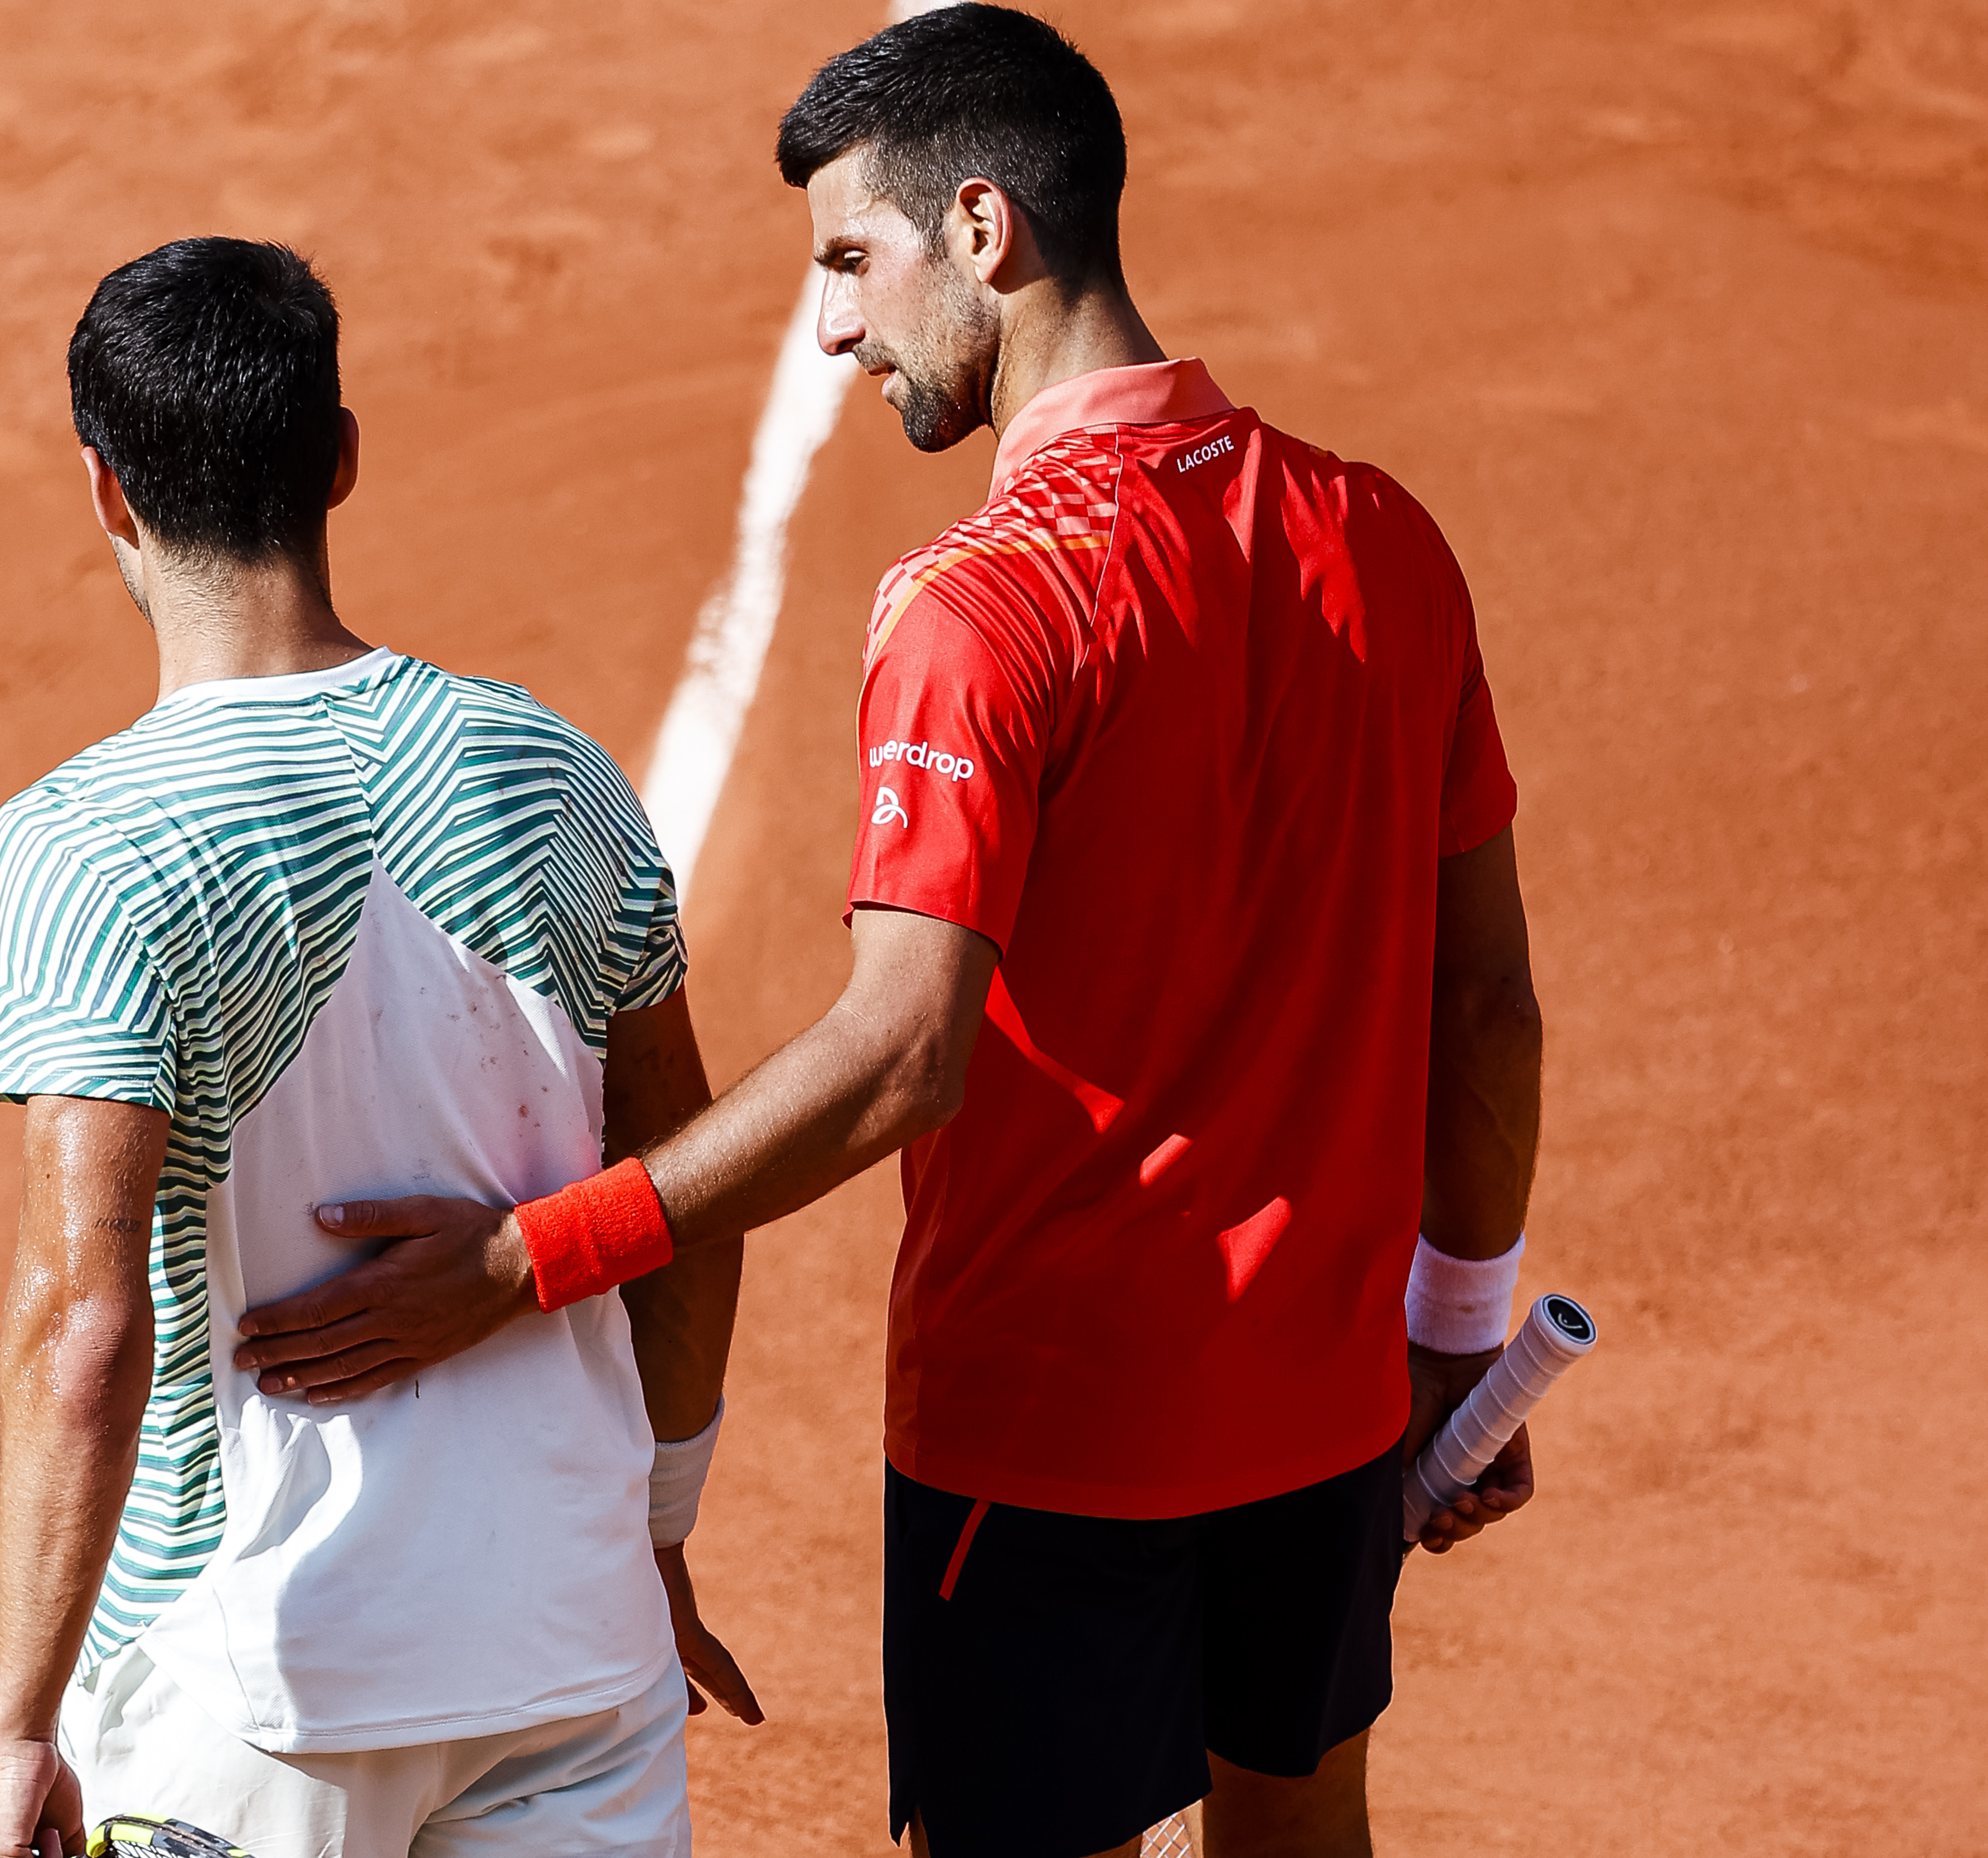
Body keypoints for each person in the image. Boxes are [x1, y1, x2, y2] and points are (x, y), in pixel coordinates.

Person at [228, 10, 1548, 1857]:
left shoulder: (983, 604)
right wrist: (1457, 1334)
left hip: (1048, 1442)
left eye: (852, 261)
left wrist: (540, 1255)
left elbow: (903, 1051)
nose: (832, 325)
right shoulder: (1382, 539)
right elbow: (1487, 1008)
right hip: (1324, 1413)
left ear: (987, 233)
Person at [0, 239, 758, 1858]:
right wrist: (653, 1537)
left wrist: (19, 1723)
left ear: (106, 493)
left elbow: (79, 1323)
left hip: (260, 1680)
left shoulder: (85, 842)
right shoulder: (556, 771)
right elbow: (685, 1199)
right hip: (576, 1644)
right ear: (341, 457)